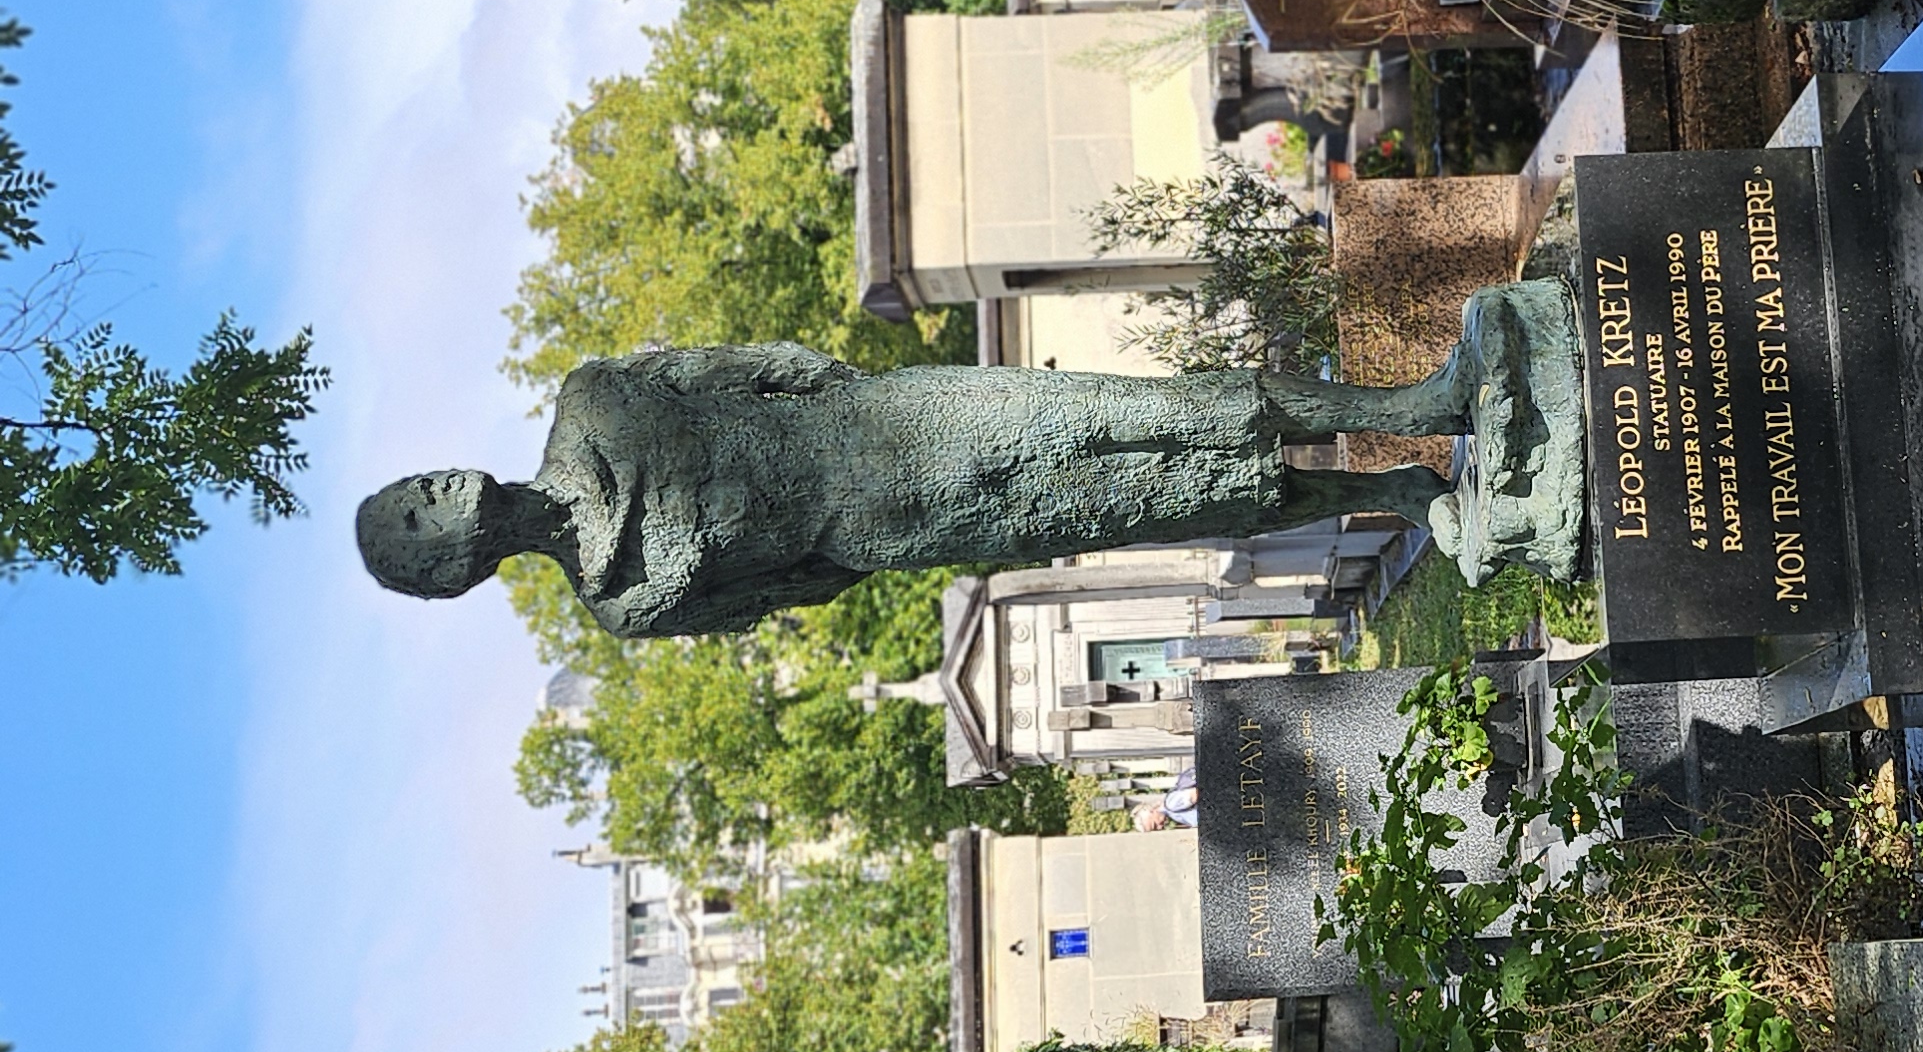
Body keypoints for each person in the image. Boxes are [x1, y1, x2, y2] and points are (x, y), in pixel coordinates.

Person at [357, 338, 1475, 640]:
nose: (434, 487)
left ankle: (1415, 403)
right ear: (445, 567)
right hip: (888, 521)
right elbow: (797, 591)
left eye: (411, 482)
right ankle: (1400, 494)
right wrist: (859, 536)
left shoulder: (592, 398)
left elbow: (747, 366)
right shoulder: (624, 602)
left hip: (886, 421)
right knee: (1159, 502)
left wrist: (840, 398)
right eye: (417, 517)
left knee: (1136, 412)